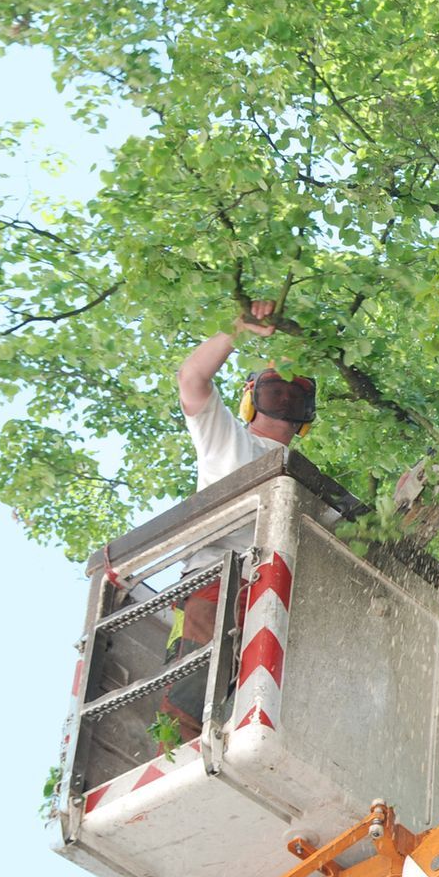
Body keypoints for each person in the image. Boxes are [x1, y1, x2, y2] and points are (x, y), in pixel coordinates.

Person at [159, 300, 319, 735]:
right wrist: (238, 328)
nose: (284, 399)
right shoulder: (225, 437)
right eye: (274, 391)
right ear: (251, 398)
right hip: (217, 584)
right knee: (192, 701)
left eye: (294, 395)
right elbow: (192, 378)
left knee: (259, 720)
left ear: (307, 414)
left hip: (276, 598)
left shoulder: (310, 488)